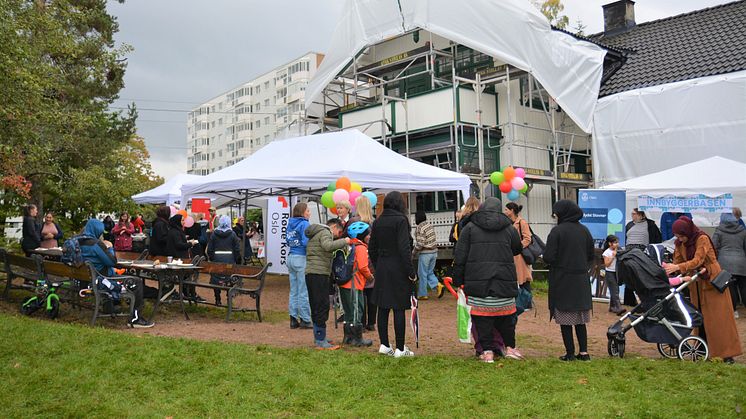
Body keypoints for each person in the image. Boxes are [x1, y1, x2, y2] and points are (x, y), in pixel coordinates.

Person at [453, 197, 524, 363]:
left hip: (478, 280)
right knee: (507, 319)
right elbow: (517, 248)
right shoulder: (509, 228)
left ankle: (487, 352)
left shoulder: (470, 227)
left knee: (482, 319)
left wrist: (458, 280)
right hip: (504, 280)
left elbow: (460, 256)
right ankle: (510, 348)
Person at [663, 216, 742, 363]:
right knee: (700, 319)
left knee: (719, 319)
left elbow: (698, 260)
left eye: (682, 236)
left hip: (712, 282)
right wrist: (670, 268)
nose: (680, 239)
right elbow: (678, 261)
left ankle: (726, 354)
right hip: (696, 283)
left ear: (687, 231)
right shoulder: (679, 243)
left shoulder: (702, 239)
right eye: (677, 236)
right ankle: (702, 349)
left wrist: (678, 267)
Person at [543, 200, 595, 361]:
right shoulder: (584, 230)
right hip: (581, 279)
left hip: (563, 279)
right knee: (580, 318)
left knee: (565, 318)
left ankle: (570, 352)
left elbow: (549, 257)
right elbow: (591, 255)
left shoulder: (557, 231)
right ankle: (584, 352)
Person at [79, 218, 153, 328]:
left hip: (89, 280)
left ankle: (110, 307)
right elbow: (112, 261)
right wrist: (109, 247)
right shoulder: (95, 245)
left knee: (130, 278)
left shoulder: (78, 242)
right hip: (103, 280)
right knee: (136, 281)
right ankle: (135, 319)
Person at [368, 191, 416, 358]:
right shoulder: (401, 220)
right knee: (398, 307)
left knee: (383, 306)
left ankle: (384, 344)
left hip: (382, 266)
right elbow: (404, 249)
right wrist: (411, 272)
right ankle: (400, 348)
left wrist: (378, 265)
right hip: (398, 267)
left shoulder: (378, 221)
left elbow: (371, 248)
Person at [304, 218, 350, 350]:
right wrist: (344, 241)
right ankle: (320, 339)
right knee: (321, 304)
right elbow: (327, 246)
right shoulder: (325, 232)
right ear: (334, 227)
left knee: (317, 304)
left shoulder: (317, 232)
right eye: (339, 232)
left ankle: (319, 336)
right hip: (318, 273)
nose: (338, 235)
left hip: (313, 272)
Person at [341, 221, 374, 347]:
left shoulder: (348, 245)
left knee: (348, 311)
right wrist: (370, 277)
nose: (369, 236)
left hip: (344, 283)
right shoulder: (361, 247)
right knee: (357, 310)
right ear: (361, 235)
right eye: (368, 234)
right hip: (354, 284)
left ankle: (347, 337)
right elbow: (363, 267)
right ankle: (357, 339)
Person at [712, 213, 746, 318]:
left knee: (731, 288)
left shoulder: (719, 231)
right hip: (741, 262)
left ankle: (734, 311)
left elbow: (713, 246)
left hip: (725, 263)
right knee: (744, 287)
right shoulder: (743, 231)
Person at [286, 203, 313, 330]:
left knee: (294, 290)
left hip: (291, 256)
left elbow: (288, 240)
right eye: (307, 211)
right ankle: (305, 319)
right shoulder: (305, 224)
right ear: (302, 212)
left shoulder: (290, 223)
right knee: (303, 290)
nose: (309, 213)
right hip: (301, 257)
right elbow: (306, 241)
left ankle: (293, 318)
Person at [166, 213, 203, 302]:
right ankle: (188, 295)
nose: (184, 222)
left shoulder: (175, 230)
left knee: (186, 277)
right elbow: (179, 245)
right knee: (186, 277)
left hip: (179, 257)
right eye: (182, 220)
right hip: (179, 258)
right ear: (177, 221)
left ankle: (187, 294)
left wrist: (187, 241)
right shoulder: (175, 231)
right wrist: (190, 244)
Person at [206, 215, 241, 306]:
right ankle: (229, 299)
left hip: (217, 261)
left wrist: (212, 258)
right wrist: (236, 259)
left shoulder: (214, 234)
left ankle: (217, 299)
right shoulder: (233, 234)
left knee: (216, 279)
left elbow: (209, 249)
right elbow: (237, 249)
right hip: (230, 261)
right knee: (229, 279)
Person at [356, 195, 378, 331]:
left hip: (360, 256)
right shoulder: (374, 222)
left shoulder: (355, 222)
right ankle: (371, 322)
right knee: (372, 291)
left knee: (361, 291)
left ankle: (362, 322)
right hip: (372, 258)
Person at [504, 203, 533, 294]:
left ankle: (527, 301)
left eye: (506, 209)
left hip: (521, 256)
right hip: (511, 255)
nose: (505, 211)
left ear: (512, 210)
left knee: (524, 279)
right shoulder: (507, 222)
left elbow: (528, 238)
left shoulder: (522, 222)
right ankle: (519, 301)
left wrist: (518, 247)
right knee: (515, 278)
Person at [414, 210, 443, 300]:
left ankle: (423, 294)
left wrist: (414, 252)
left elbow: (420, 243)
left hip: (425, 253)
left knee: (422, 274)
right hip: (434, 252)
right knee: (429, 272)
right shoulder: (429, 225)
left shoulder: (420, 227)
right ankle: (437, 285)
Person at [602, 235, 625, 315]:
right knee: (615, 290)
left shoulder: (618, 250)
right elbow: (607, 264)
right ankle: (618, 308)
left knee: (615, 290)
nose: (617, 244)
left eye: (617, 242)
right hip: (609, 273)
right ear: (610, 243)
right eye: (615, 243)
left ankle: (612, 307)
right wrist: (613, 256)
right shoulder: (607, 252)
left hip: (616, 272)